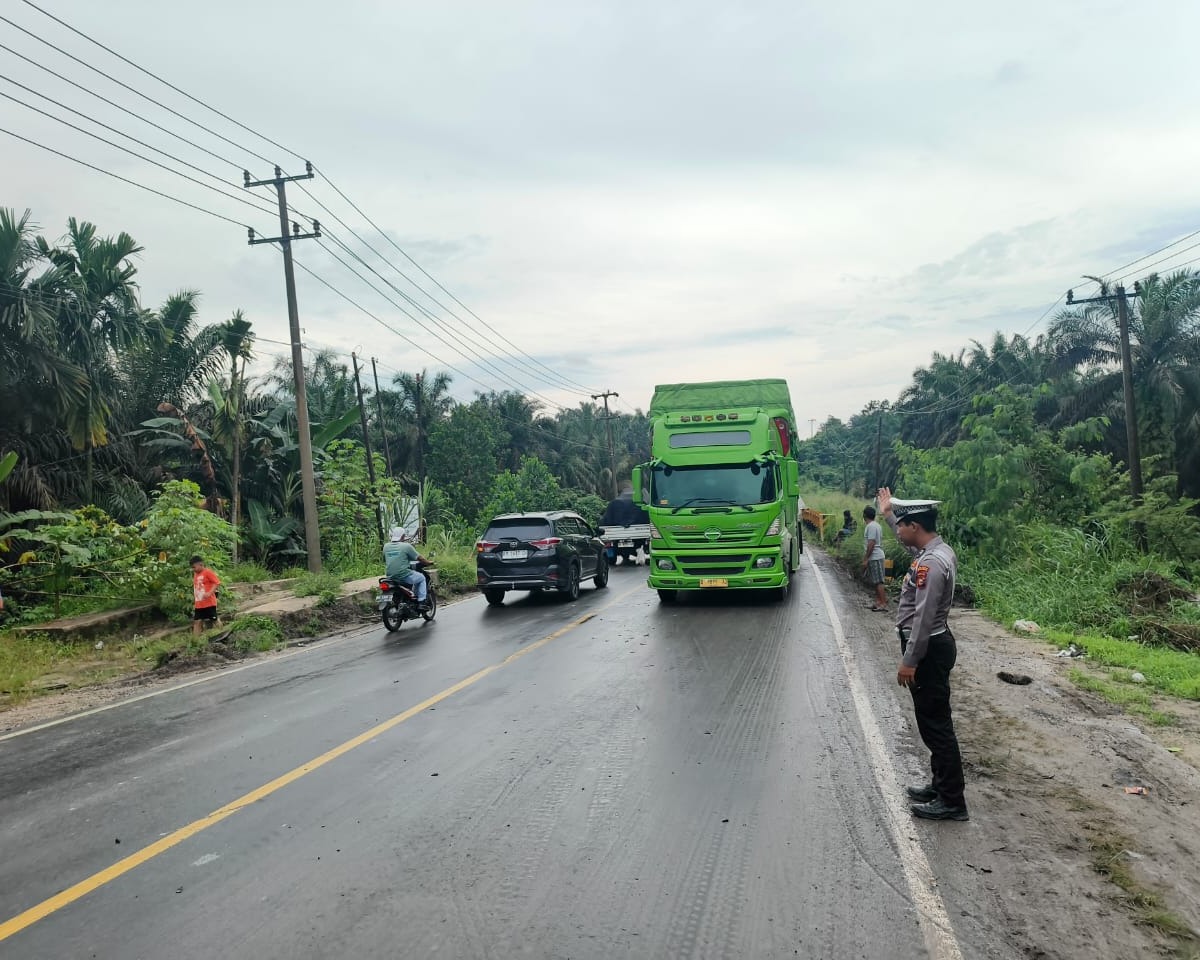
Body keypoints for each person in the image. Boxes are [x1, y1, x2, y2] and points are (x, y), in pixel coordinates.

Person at [877, 487, 966, 822]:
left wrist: (909, 661)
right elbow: (906, 542)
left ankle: (952, 801)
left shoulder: (932, 564)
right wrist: (888, 513)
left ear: (915, 526)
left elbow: (924, 620)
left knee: (936, 726)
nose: (898, 531)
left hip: (928, 649)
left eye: (901, 524)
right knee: (932, 722)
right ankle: (940, 785)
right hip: (935, 645)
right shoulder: (937, 551)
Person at [383, 527, 431, 609]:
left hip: (390, 576)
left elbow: (385, 559)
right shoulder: (406, 546)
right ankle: (421, 602)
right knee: (421, 578)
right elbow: (420, 558)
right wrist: (428, 562)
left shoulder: (386, 546)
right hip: (403, 575)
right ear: (402, 536)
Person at [861, 505, 888, 612]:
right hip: (875, 556)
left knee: (878, 581)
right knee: (875, 581)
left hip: (875, 556)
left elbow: (871, 543)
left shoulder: (871, 526)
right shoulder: (876, 525)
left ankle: (883, 603)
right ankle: (878, 602)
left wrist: (866, 559)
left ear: (864, 515)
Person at [190, 556, 221, 635]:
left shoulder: (207, 572)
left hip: (209, 603)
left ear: (201, 564)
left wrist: (210, 592)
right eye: (192, 567)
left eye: (194, 567)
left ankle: (222, 633)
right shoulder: (195, 574)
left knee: (214, 619)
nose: (193, 569)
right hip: (199, 604)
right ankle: (195, 641)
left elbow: (217, 582)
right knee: (197, 621)